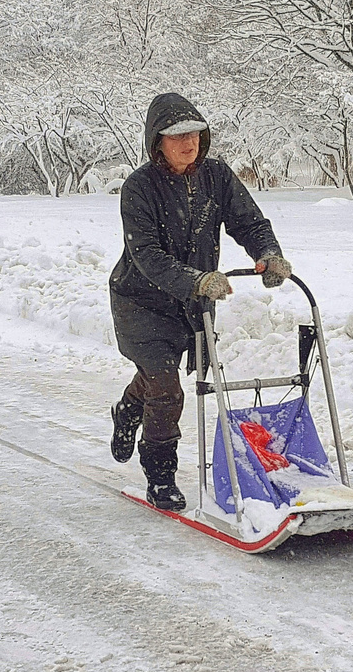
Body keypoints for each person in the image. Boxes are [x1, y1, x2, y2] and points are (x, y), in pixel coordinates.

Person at [108, 92, 291, 511]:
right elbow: (147, 255)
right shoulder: (139, 187)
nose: (188, 143)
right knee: (167, 387)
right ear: (157, 142)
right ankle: (160, 477)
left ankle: (128, 408)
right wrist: (196, 279)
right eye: (176, 137)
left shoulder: (216, 176)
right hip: (141, 300)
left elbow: (249, 221)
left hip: (192, 299)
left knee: (160, 381)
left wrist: (268, 254)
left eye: (194, 134)